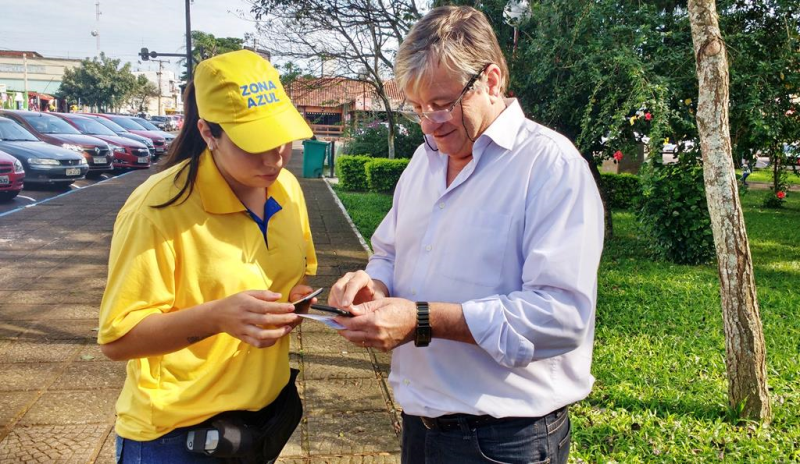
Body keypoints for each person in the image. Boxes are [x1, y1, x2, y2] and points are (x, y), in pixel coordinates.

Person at [328, 6, 604, 464]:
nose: (430, 123)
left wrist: (421, 319)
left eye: (441, 104)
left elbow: (561, 316)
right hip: (419, 425)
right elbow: (390, 252)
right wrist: (373, 284)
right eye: (417, 108)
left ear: (491, 81)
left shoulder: (550, 166)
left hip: (504, 439)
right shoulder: (424, 162)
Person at [98, 50, 317, 463]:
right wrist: (218, 317)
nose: (275, 159)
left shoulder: (286, 188)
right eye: (255, 145)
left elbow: (287, 276)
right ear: (208, 132)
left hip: (260, 426)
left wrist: (297, 300)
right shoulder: (158, 210)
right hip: (177, 437)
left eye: (282, 139)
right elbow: (117, 339)